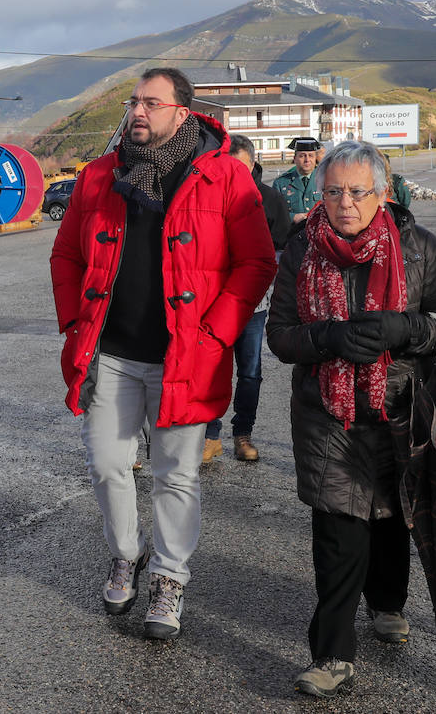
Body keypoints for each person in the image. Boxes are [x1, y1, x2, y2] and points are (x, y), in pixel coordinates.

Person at [50, 67, 276, 640]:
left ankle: (170, 577)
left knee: (176, 475)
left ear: (182, 111)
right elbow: (65, 257)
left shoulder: (224, 176)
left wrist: (215, 334)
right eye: (134, 102)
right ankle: (127, 553)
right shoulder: (101, 175)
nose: (138, 112)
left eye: (151, 102)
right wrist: (76, 323)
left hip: (186, 358)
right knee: (106, 464)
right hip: (112, 354)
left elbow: (257, 263)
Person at [266, 140, 436, 698]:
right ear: (320, 193)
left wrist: (406, 330)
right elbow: (279, 335)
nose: (345, 203)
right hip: (326, 411)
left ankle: (388, 602)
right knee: (338, 526)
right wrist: (326, 337)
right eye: (334, 191)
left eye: (358, 191)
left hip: (402, 406)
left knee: (391, 514)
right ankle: (332, 654)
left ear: (383, 193)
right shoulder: (299, 251)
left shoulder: (419, 247)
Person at [202, 134, 290, 463]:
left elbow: (280, 251)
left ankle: (243, 435)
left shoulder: (270, 200)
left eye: (236, 165)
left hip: (254, 305)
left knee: (250, 372)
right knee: (213, 370)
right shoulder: (209, 196)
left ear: (252, 163)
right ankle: (211, 436)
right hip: (214, 302)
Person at [272, 136, 322, 225]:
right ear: (295, 159)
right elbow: (274, 212)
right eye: (302, 156)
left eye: (311, 156)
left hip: (319, 234)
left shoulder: (325, 180)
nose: (307, 160)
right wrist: (292, 217)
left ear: (315, 159)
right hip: (292, 234)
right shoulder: (280, 183)